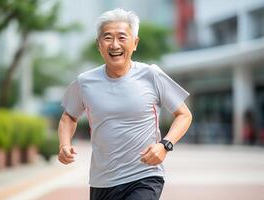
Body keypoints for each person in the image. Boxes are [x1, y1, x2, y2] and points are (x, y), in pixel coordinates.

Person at [58, 8, 192, 200]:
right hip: (102, 182)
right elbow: (68, 117)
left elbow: (184, 114)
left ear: (135, 43)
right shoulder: (84, 82)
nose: (114, 45)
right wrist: (64, 145)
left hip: (145, 176)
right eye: (107, 38)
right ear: (99, 45)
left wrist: (165, 145)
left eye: (122, 37)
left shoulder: (151, 75)